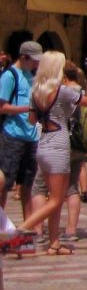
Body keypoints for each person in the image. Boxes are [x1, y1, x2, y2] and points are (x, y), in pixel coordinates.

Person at [15, 52, 87, 255]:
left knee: (54, 196)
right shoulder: (62, 91)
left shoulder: (37, 92)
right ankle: (20, 230)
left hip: (42, 144)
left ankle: (54, 243)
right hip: (59, 145)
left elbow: (32, 120)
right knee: (55, 200)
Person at [0, 42, 42, 229]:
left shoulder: (31, 76)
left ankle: (28, 228)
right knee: (4, 184)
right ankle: (1, 226)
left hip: (31, 137)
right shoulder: (10, 76)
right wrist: (27, 108)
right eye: (34, 61)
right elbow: (2, 107)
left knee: (27, 185)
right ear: (24, 57)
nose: (36, 65)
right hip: (13, 136)